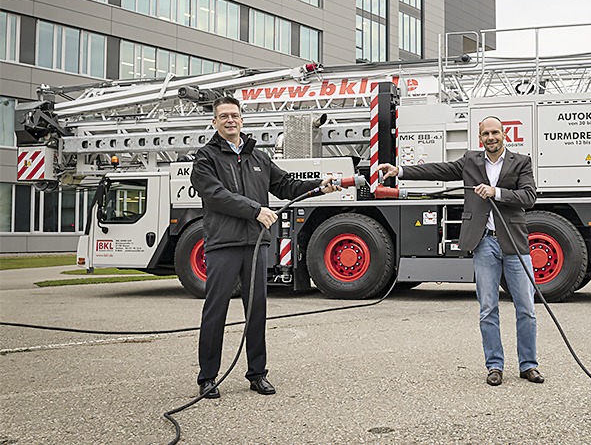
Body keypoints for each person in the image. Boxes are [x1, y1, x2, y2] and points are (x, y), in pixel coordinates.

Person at [190, 95, 340, 398]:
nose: (230, 121)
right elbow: (215, 194)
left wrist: (318, 186)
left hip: (256, 244)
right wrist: (254, 210)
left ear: (242, 119)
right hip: (223, 244)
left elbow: (285, 185)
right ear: (214, 122)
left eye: (234, 115)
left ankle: (257, 374)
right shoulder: (206, 158)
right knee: (215, 311)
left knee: (257, 310)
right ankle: (208, 378)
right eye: (224, 117)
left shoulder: (258, 158)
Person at [376, 116, 541, 386]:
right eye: (486, 133)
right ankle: (495, 366)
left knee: (526, 308)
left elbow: (529, 197)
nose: (491, 137)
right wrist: (400, 171)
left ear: (504, 134)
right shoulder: (471, 161)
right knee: (488, 308)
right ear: (481, 138)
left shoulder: (521, 162)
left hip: (514, 243)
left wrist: (496, 192)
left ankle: (528, 365)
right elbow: (439, 170)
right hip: (484, 242)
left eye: (495, 132)